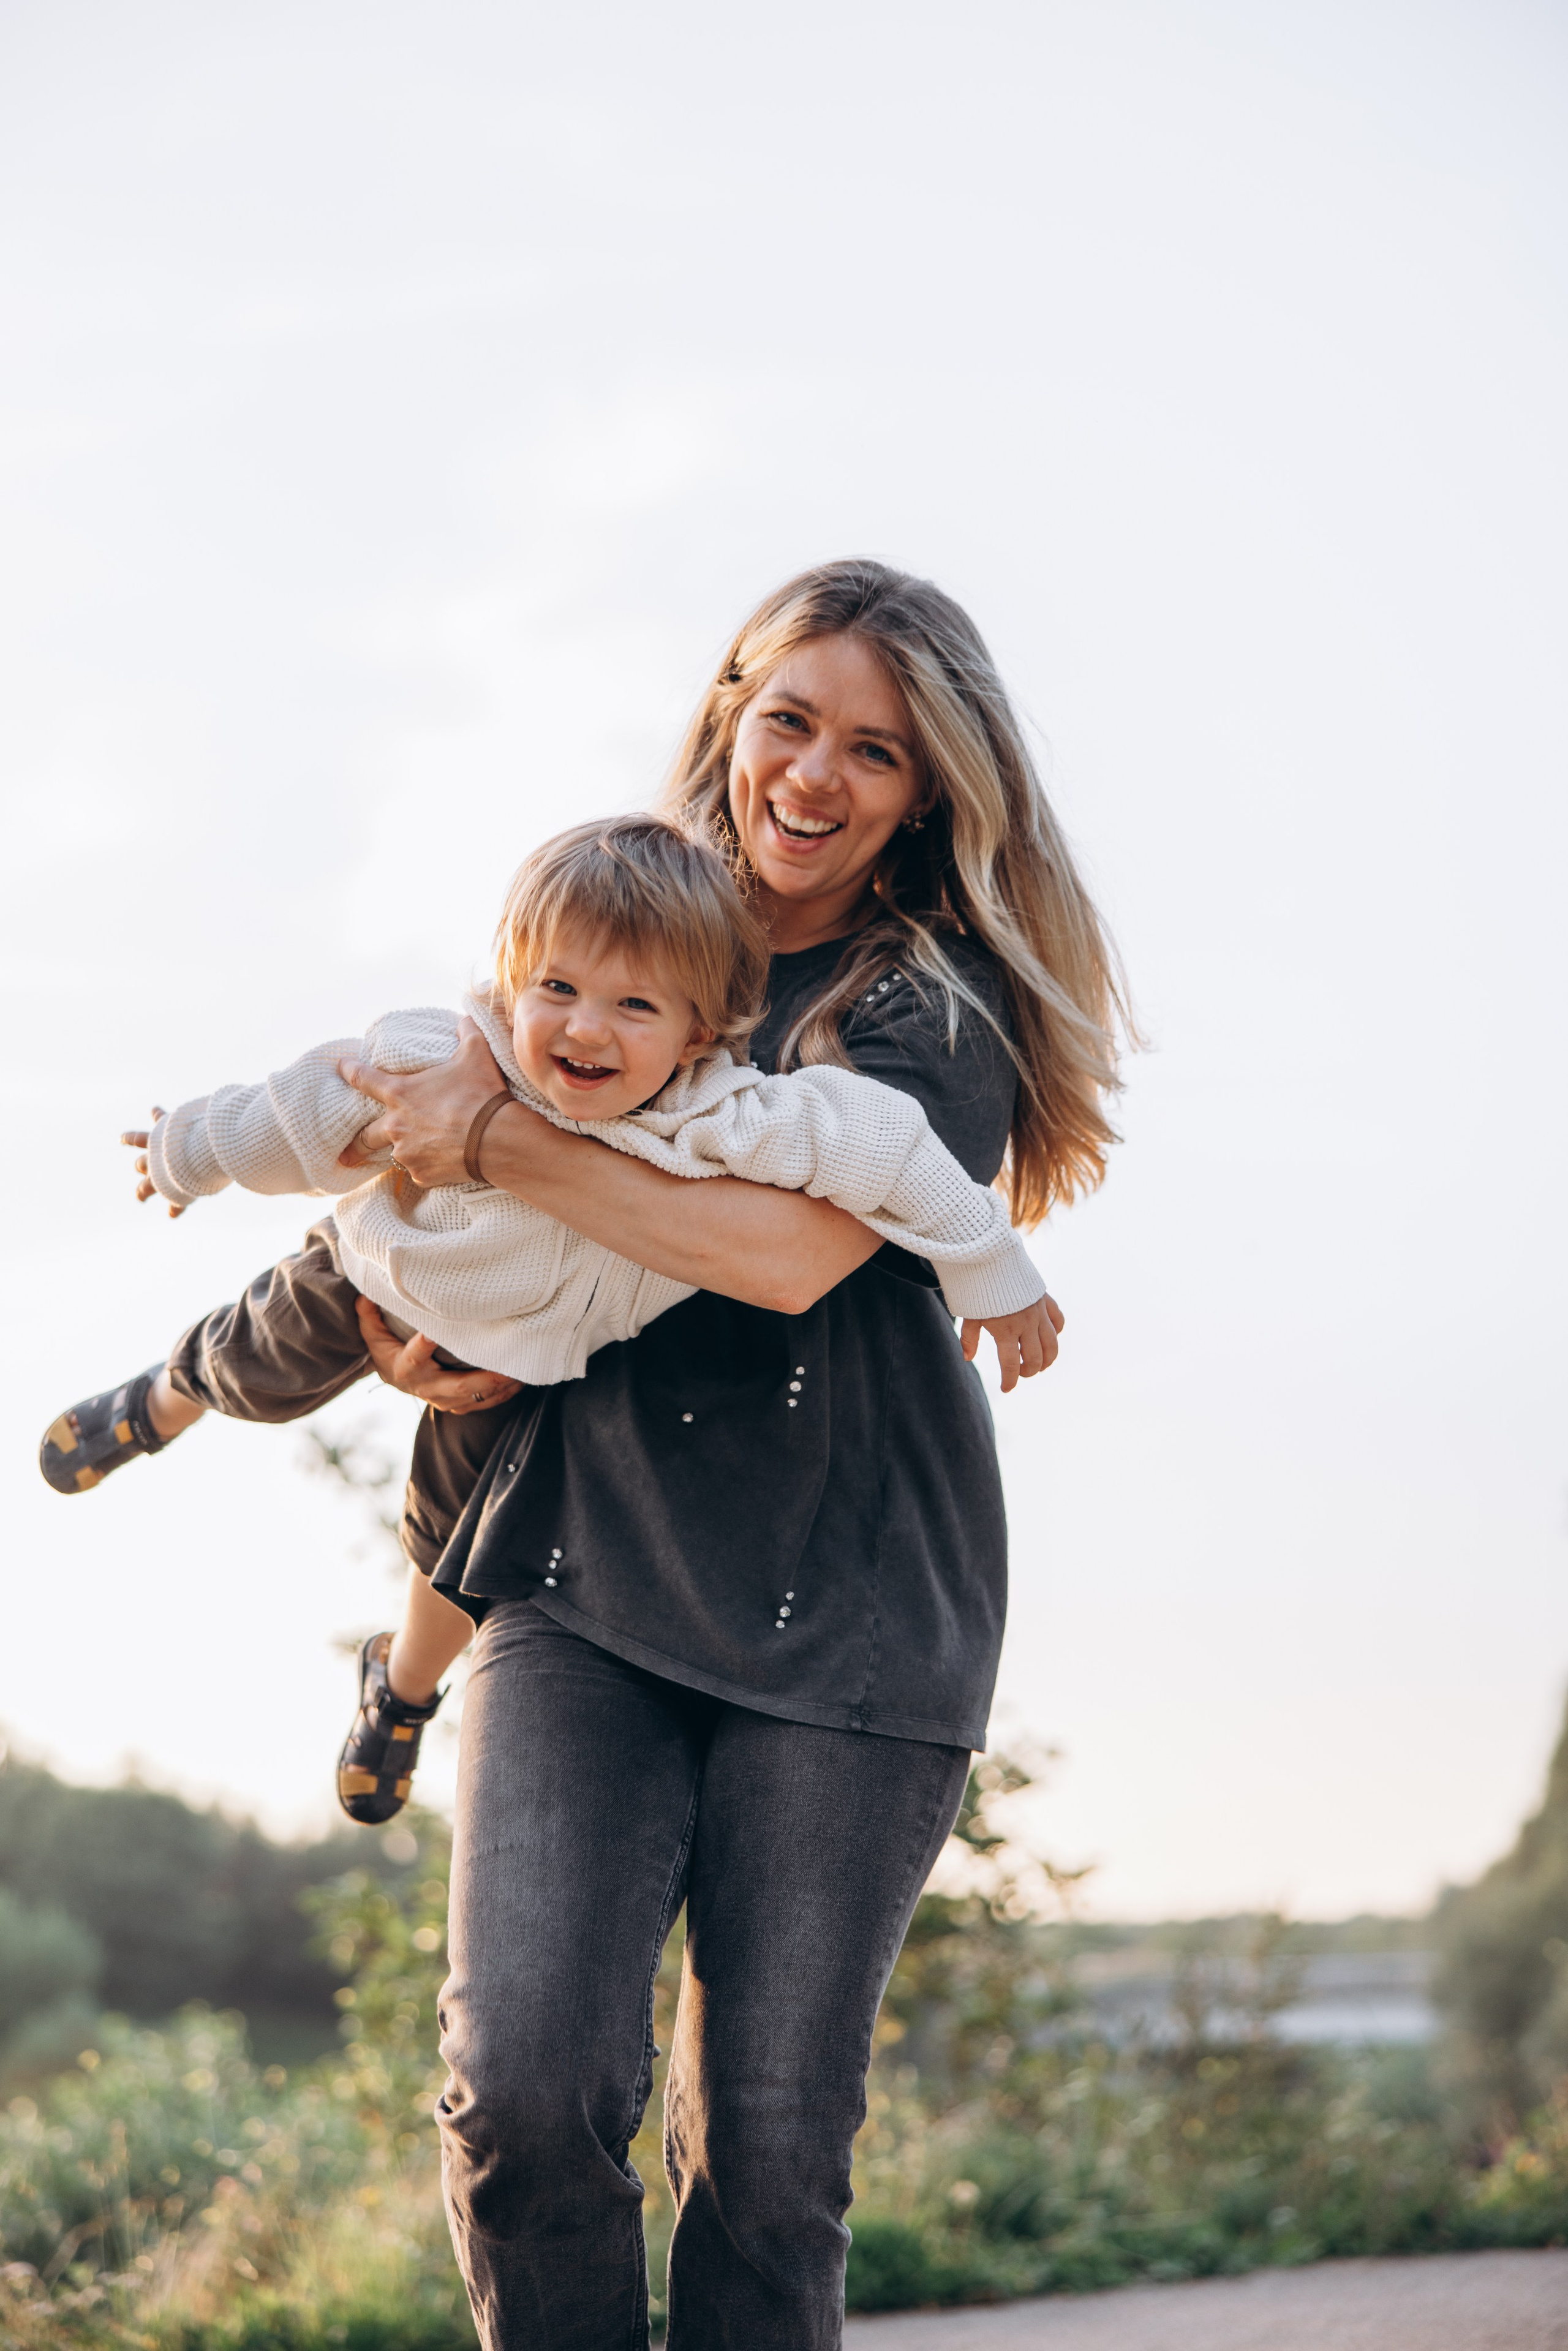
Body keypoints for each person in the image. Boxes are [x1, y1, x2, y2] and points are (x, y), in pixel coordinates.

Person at [325, 559, 1129, 2349]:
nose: (818, 776)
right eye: (792, 719)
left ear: (932, 795)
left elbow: (778, 1258)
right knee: (525, 2088)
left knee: (764, 2162)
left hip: (846, 1621)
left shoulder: (938, 1004)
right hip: (584, 1583)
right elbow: (424, 1177)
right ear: (730, 711)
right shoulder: (604, 921)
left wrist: (500, 1144)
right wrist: (419, 1311)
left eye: (880, 752)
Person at [39, 815, 1052, 1826]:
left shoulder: (724, 1118)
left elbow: (892, 1150)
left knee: (453, 1538)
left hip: (518, 1356)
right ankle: (157, 1402)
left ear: (698, 1031)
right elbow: (305, 1109)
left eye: (633, 1006)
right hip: (388, 1263)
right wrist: (189, 1151)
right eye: (557, 989)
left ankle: (401, 1691)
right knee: (257, 1363)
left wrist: (992, 1266)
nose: (583, 1029)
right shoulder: (449, 1054)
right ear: (513, 977)